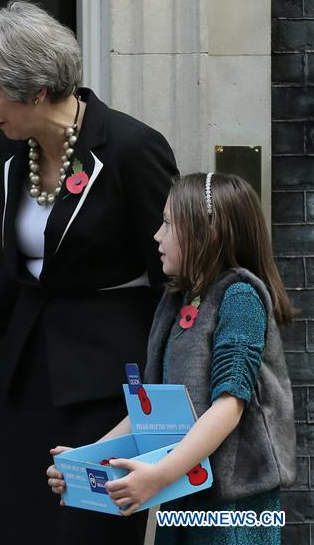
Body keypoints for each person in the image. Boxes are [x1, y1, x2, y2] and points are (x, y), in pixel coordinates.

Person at [0, 0, 178, 544]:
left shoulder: (133, 149)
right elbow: (30, 272)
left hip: (105, 385)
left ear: (36, 90)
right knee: (19, 526)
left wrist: (170, 387)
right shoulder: (18, 159)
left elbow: (175, 273)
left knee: (82, 530)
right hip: (30, 379)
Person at [47, 173, 296, 544]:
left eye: (167, 223)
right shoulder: (175, 299)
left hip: (234, 507)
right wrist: (86, 462)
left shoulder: (239, 297)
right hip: (183, 490)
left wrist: (159, 475)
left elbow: (229, 405)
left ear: (204, 232)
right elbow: (150, 408)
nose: (156, 236)